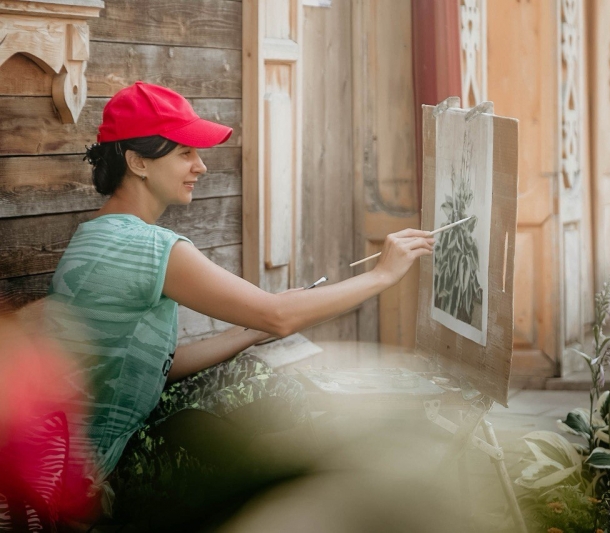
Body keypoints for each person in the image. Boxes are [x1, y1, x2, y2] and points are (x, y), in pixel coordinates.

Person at [43, 81, 435, 530]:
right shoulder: (146, 247)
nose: (201, 166)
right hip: (90, 489)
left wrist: (249, 331)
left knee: (245, 377)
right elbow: (280, 316)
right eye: (185, 153)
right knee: (266, 401)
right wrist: (382, 275)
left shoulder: (99, 233)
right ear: (138, 162)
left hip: (85, 462)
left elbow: (150, 369)